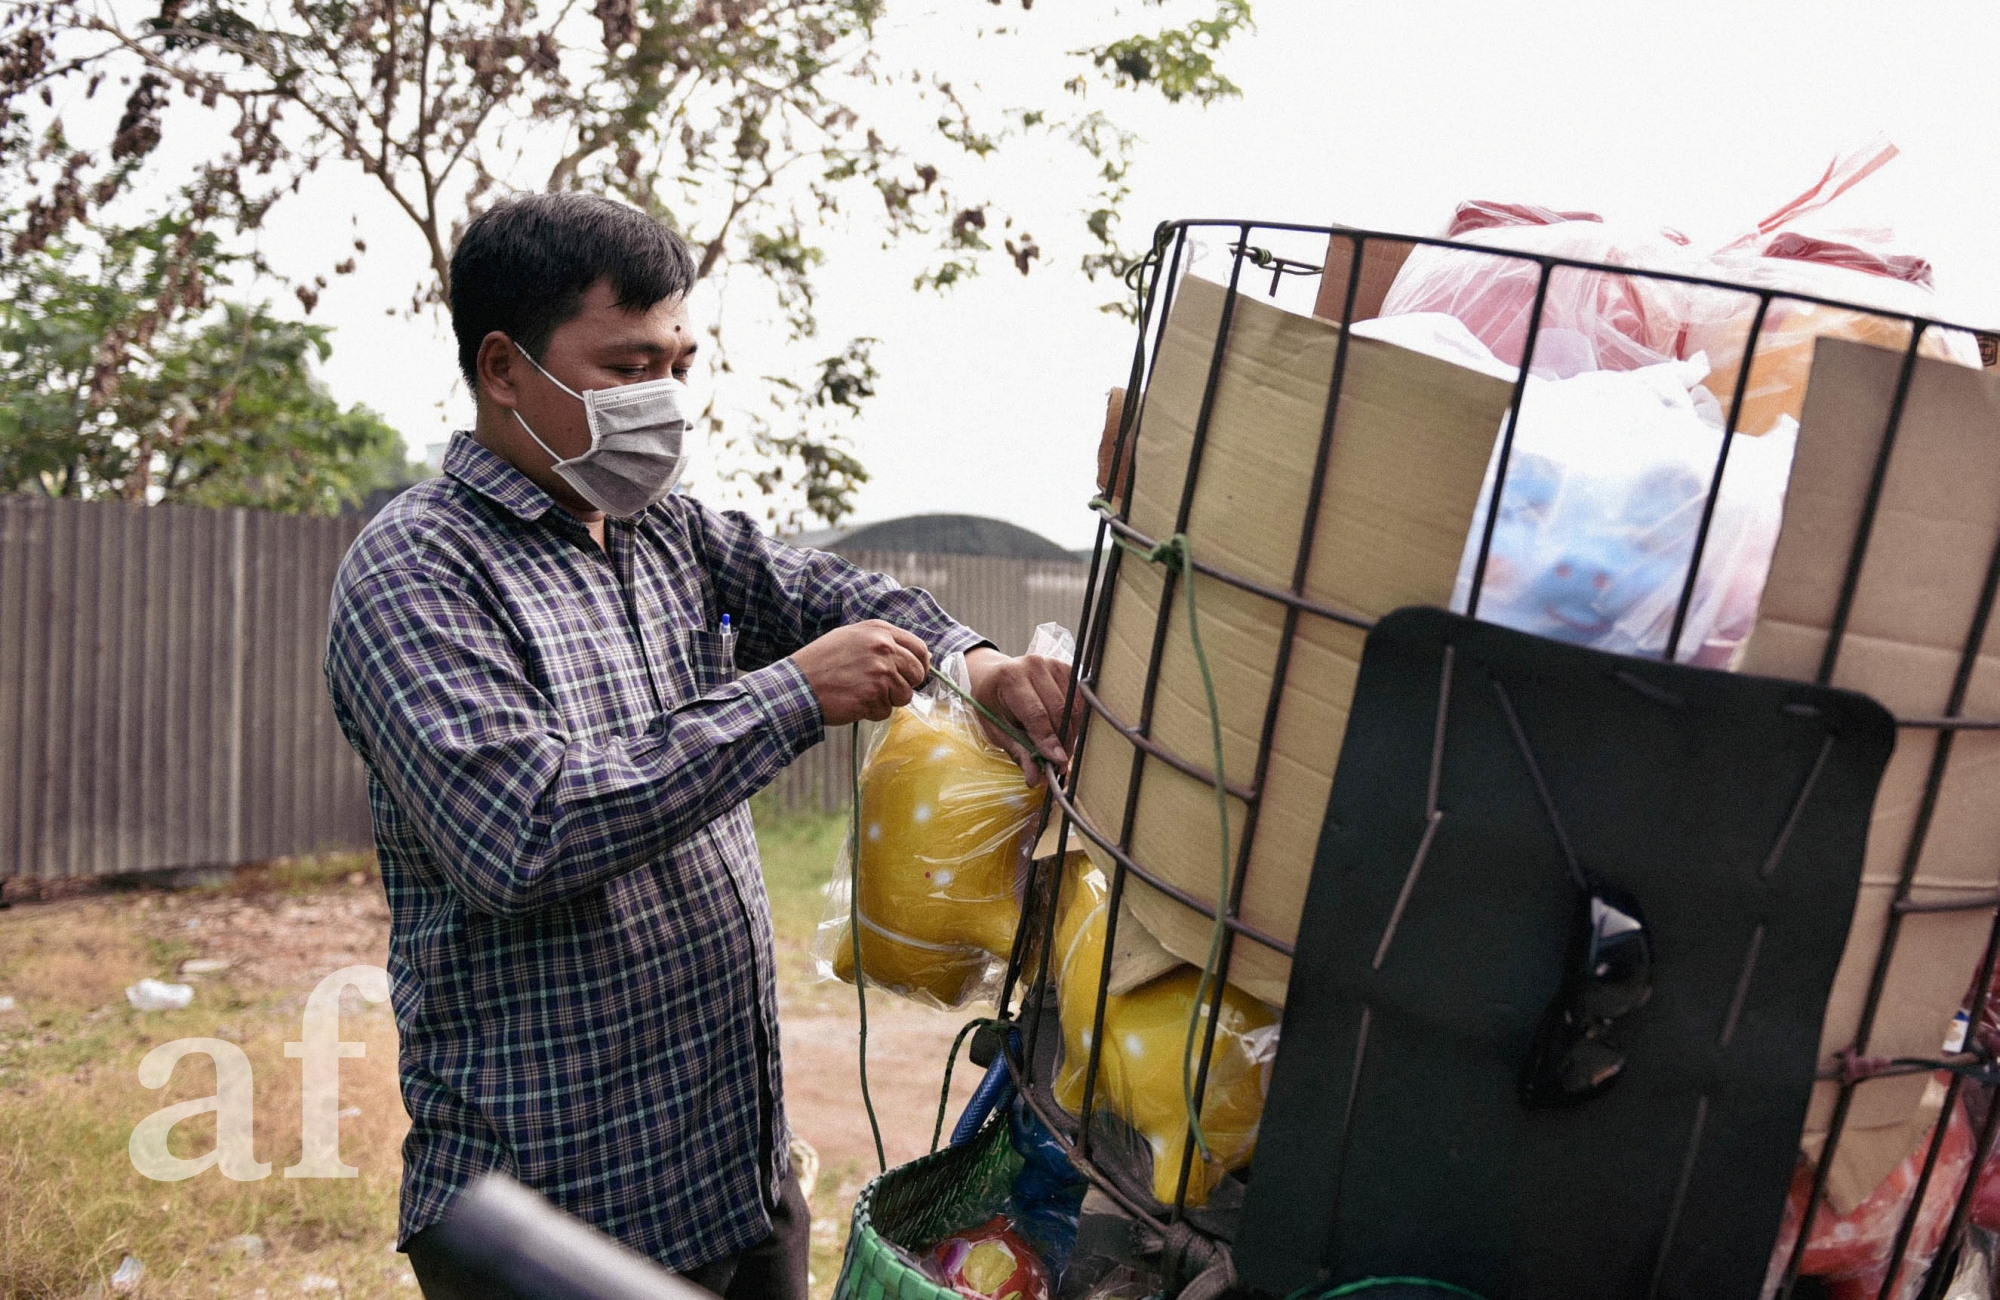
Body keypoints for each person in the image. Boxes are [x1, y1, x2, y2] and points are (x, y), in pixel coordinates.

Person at [323, 192, 1074, 1299]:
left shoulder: (660, 529)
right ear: (501, 367)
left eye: (678, 359)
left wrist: (985, 666)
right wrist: (785, 698)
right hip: (555, 1210)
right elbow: (523, 835)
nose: (663, 398)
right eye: (627, 365)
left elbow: (824, 588)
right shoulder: (418, 571)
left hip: (732, 1172)